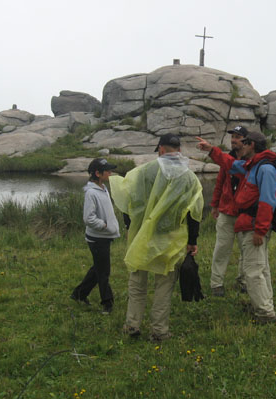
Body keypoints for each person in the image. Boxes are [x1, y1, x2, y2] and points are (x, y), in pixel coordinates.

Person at [110, 134, 203, 342]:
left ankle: (132, 324)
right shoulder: (189, 177)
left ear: (160, 149)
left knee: (137, 281)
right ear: (179, 150)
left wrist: (128, 226)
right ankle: (159, 331)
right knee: (164, 284)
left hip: (140, 235)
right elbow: (194, 212)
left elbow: (128, 200)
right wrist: (192, 240)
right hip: (171, 239)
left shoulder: (143, 171)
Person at [196, 131, 276, 324]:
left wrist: (260, 230)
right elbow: (230, 164)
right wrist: (211, 150)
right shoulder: (251, 166)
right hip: (247, 225)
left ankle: (265, 314)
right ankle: (264, 305)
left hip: (253, 227)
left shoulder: (264, 169)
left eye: (245, 142)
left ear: (252, 145)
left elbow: (267, 202)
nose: (240, 145)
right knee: (260, 268)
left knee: (254, 271)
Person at [70, 158, 121, 315]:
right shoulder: (91, 193)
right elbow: (88, 218)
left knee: (98, 269)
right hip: (98, 238)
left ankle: (78, 294)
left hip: (104, 237)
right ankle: (107, 303)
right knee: (103, 272)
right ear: (98, 173)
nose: (110, 172)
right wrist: (104, 226)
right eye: (107, 170)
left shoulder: (103, 188)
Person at [209, 125, 248, 297]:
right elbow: (220, 182)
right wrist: (215, 204)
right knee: (221, 248)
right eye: (232, 137)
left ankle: (244, 281)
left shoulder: (250, 161)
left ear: (246, 141)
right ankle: (216, 283)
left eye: (238, 137)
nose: (233, 140)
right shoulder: (227, 159)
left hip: (244, 213)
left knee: (246, 250)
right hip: (226, 211)